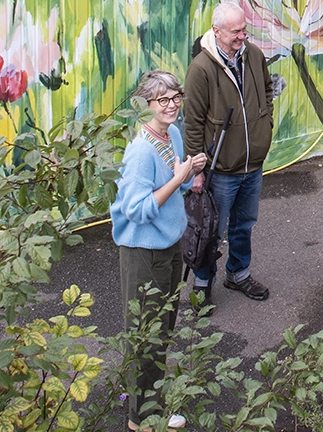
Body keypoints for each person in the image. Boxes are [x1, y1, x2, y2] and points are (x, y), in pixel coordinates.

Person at [111, 70, 207, 431]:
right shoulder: (140, 151)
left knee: (163, 327)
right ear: (146, 105)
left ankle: (148, 396)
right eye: (162, 100)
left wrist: (186, 172)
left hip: (169, 244)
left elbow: (171, 191)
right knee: (145, 335)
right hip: (143, 251)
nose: (171, 105)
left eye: (175, 97)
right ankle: (141, 419)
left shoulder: (174, 134)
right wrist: (178, 178)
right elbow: (136, 209)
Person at [185, 2, 274, 304]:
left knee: (244, 224)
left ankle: (238, 274)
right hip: (220, 167)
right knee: (210, 229)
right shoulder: (201, 68)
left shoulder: (254, 56)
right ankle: (202, 283)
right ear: (217, 31)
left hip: (252, 163)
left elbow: (267, 90)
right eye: (235, 31)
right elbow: (193, 121)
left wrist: (266, 124)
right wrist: (197, 170)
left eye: (244, 30)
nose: (242, 37)